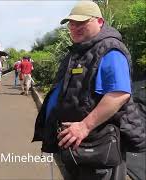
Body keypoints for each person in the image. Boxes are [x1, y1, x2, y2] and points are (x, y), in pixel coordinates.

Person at [32, 1, 144, 180]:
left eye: (81, 22)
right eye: (71, 23)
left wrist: (84, 126)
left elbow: (119, 94)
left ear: (99, 21)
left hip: (97, 149)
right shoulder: (80, 51)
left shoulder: (110, 49)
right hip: (76, 147)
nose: (74, 27)